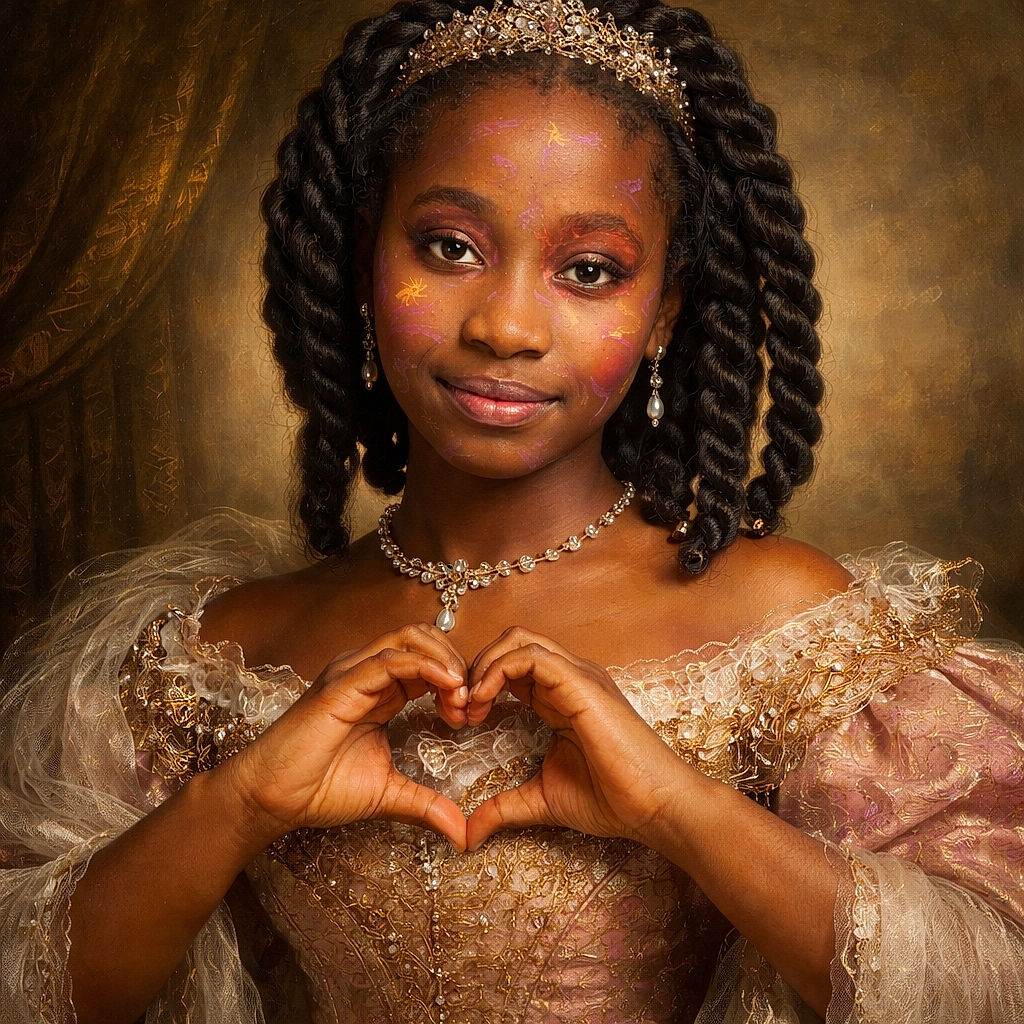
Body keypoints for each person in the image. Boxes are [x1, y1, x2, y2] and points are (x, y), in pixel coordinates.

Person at [1, 1, 1022, 1022]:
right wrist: (239, 804)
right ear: (366, 261)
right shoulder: (218, 647)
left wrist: (676, 804)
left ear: (664, 307)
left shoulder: (792, 623)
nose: (505, 325)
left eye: (589, 270)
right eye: (448, 247)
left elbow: (986, 984)